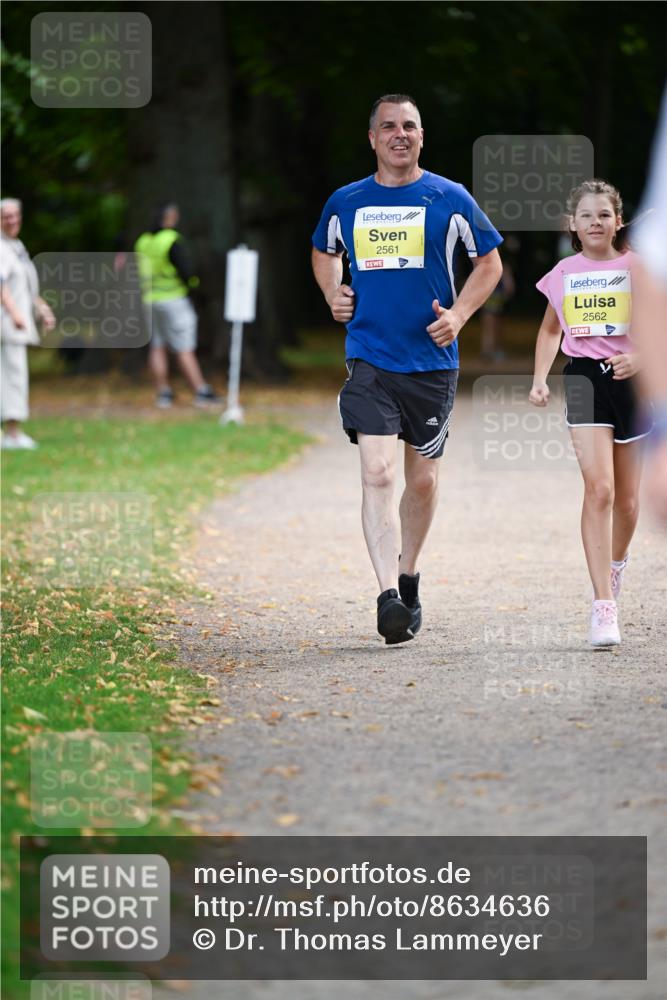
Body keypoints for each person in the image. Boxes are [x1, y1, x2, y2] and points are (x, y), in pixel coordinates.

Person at [311, 94, 503, 644]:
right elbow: (323, 250)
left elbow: (488, 263)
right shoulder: (346, 201)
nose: (400, 134)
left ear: (422, 137)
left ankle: (408, 574)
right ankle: (386, 598)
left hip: (432, 363)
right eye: (389, 126)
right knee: (377, 473)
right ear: (372, 138)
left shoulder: (450, 197)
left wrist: (461, 315)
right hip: (369, 356)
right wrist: (332, 292)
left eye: (410, 126)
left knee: (421, 480)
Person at [529, 179, 652, 647]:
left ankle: (615, 564)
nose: (595, 222)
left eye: (604, 214)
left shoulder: (638, 268)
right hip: (582, 378)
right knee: (599, 489)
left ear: (617, 221)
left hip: (632, 383)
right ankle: (603, 606)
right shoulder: (564, 271)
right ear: (572, 226)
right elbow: (548, 331)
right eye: (586, 215)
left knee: (627, 501)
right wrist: (540, 378)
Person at [135, 203, 219, 408]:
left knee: (157, 346)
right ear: (169, 218)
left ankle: (163, 393)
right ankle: (200, 390)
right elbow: (186, 271)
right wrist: (195, 286)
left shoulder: (143, 241)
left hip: (150, 300)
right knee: (184, 347)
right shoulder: (171, 240)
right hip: (173, 299)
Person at [1, 198, 56, 449]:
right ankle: (12, 433)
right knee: (13, 374)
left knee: (13, 373)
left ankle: (10, 432)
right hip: (8, 324)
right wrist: (16, 314)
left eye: (15, 215)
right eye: (6, 216)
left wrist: (42, 310)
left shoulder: (17, 246)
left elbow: (25, 287)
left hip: (16, 322)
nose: (12, 220)